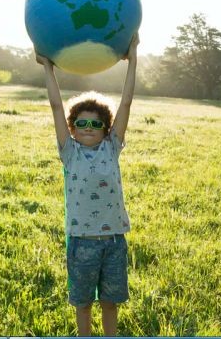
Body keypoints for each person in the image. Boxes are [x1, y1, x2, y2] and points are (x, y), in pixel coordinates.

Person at [37, 34, 139, 337]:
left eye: (96, 124)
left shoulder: (112, 147)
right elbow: (56, 106)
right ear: (72, 127)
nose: (88, 128)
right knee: (83, 304)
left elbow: (127, 101)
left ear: (106, 129)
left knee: (110, 303)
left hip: (113, 242)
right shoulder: (69, 152)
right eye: (82, 123)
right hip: (81, 242)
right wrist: (48, 67)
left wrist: (133, 58)